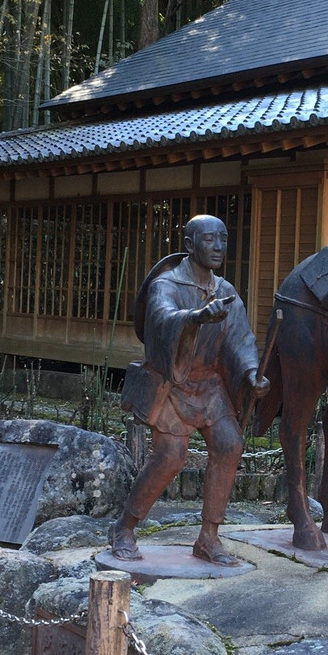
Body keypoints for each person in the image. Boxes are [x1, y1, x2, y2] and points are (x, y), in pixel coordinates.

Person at [110, 214, 269, 566]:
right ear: (190, 245)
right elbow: (161, 317)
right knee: (171, 457)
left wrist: (251, 373)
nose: (218, 247)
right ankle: (124, 527)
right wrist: (195, 318)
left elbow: (241, 339)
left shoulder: (225, 291)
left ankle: (209, 537)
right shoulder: (166, 284)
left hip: (209, 386)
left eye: (223, 239)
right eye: (210, 239)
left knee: (229, 444)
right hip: (172, 383)